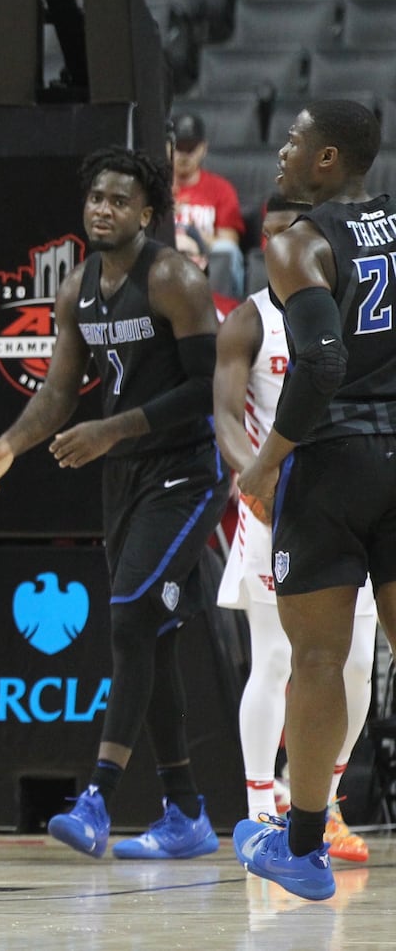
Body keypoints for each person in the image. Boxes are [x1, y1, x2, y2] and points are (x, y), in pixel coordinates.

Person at [0, 146, 226, 863]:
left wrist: (111, 429)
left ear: (148, 213)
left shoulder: (174, 277)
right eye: (95, 200)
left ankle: (98, 800)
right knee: (154, 639)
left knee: (128, 621)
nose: (103, 210)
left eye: (119, 201)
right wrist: (10, 445)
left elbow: (206, 391)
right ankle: (186, 814)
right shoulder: (76, 287)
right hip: (128, 479)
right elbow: (58, 392)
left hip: (186, 474)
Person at [232, 100, 396, 901]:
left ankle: (300, 848)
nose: (285, 150)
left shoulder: (299, 241)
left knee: (319, 660)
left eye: (298, 140)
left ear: (328, 160)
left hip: (335, 463)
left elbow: (322, 367)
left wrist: (265, 465)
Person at [212, 195, 373, 865]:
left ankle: (321, 803)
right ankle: (258, 811)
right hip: (272, 506)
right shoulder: (249, 318)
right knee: (277, 660)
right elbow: (222, 413)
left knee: (359, 666)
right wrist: (251, 472)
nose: (283, 249)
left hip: (347, 504)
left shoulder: (354, 317)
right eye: (273, 236)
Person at [171, 113, 247, 301]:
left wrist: (195, 235)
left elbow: (229, 240)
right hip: (167, 256)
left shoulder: (221, 189)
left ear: (203, 148)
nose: (184, 155)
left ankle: (228, 305)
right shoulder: (157, 189)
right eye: (179, 147)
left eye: (191, 148)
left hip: (205, 259)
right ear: (168, 147)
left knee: (227, 250)